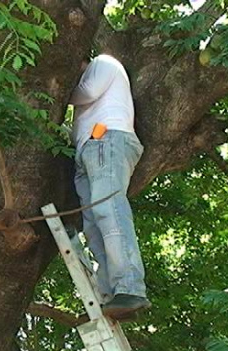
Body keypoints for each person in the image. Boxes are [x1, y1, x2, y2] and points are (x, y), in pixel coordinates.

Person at [70, 54, 150, 319]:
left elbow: (89, 91)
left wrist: (64, 93)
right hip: (89, 147)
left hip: (107, 138)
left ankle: (130, 286)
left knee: (108, 209)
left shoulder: (103, 62)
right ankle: (112, 294)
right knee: (93, 223)